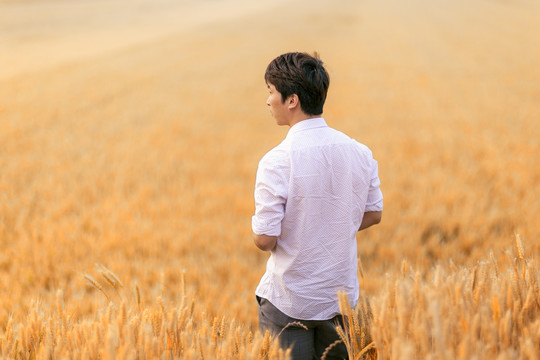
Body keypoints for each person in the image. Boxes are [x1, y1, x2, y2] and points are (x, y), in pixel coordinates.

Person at [251, 52, 383, 360]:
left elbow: (264, 239)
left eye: (271, 92)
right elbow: (374, 213)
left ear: (292, 100)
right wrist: (335, 221)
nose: (268, 101)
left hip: (288, 302)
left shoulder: (276, 161)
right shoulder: (360, 152)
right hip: (341, 302)